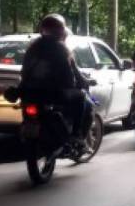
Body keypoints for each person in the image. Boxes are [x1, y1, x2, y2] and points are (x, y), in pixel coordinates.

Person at [19, 13, 93, 147]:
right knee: (82, 97)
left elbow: (24, 72)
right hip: (56, 94)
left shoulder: (33, 48)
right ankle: (76, 135)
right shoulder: (61, 49)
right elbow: (71, 75)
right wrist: (81, 83)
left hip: (31, 93)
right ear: (61, 31)